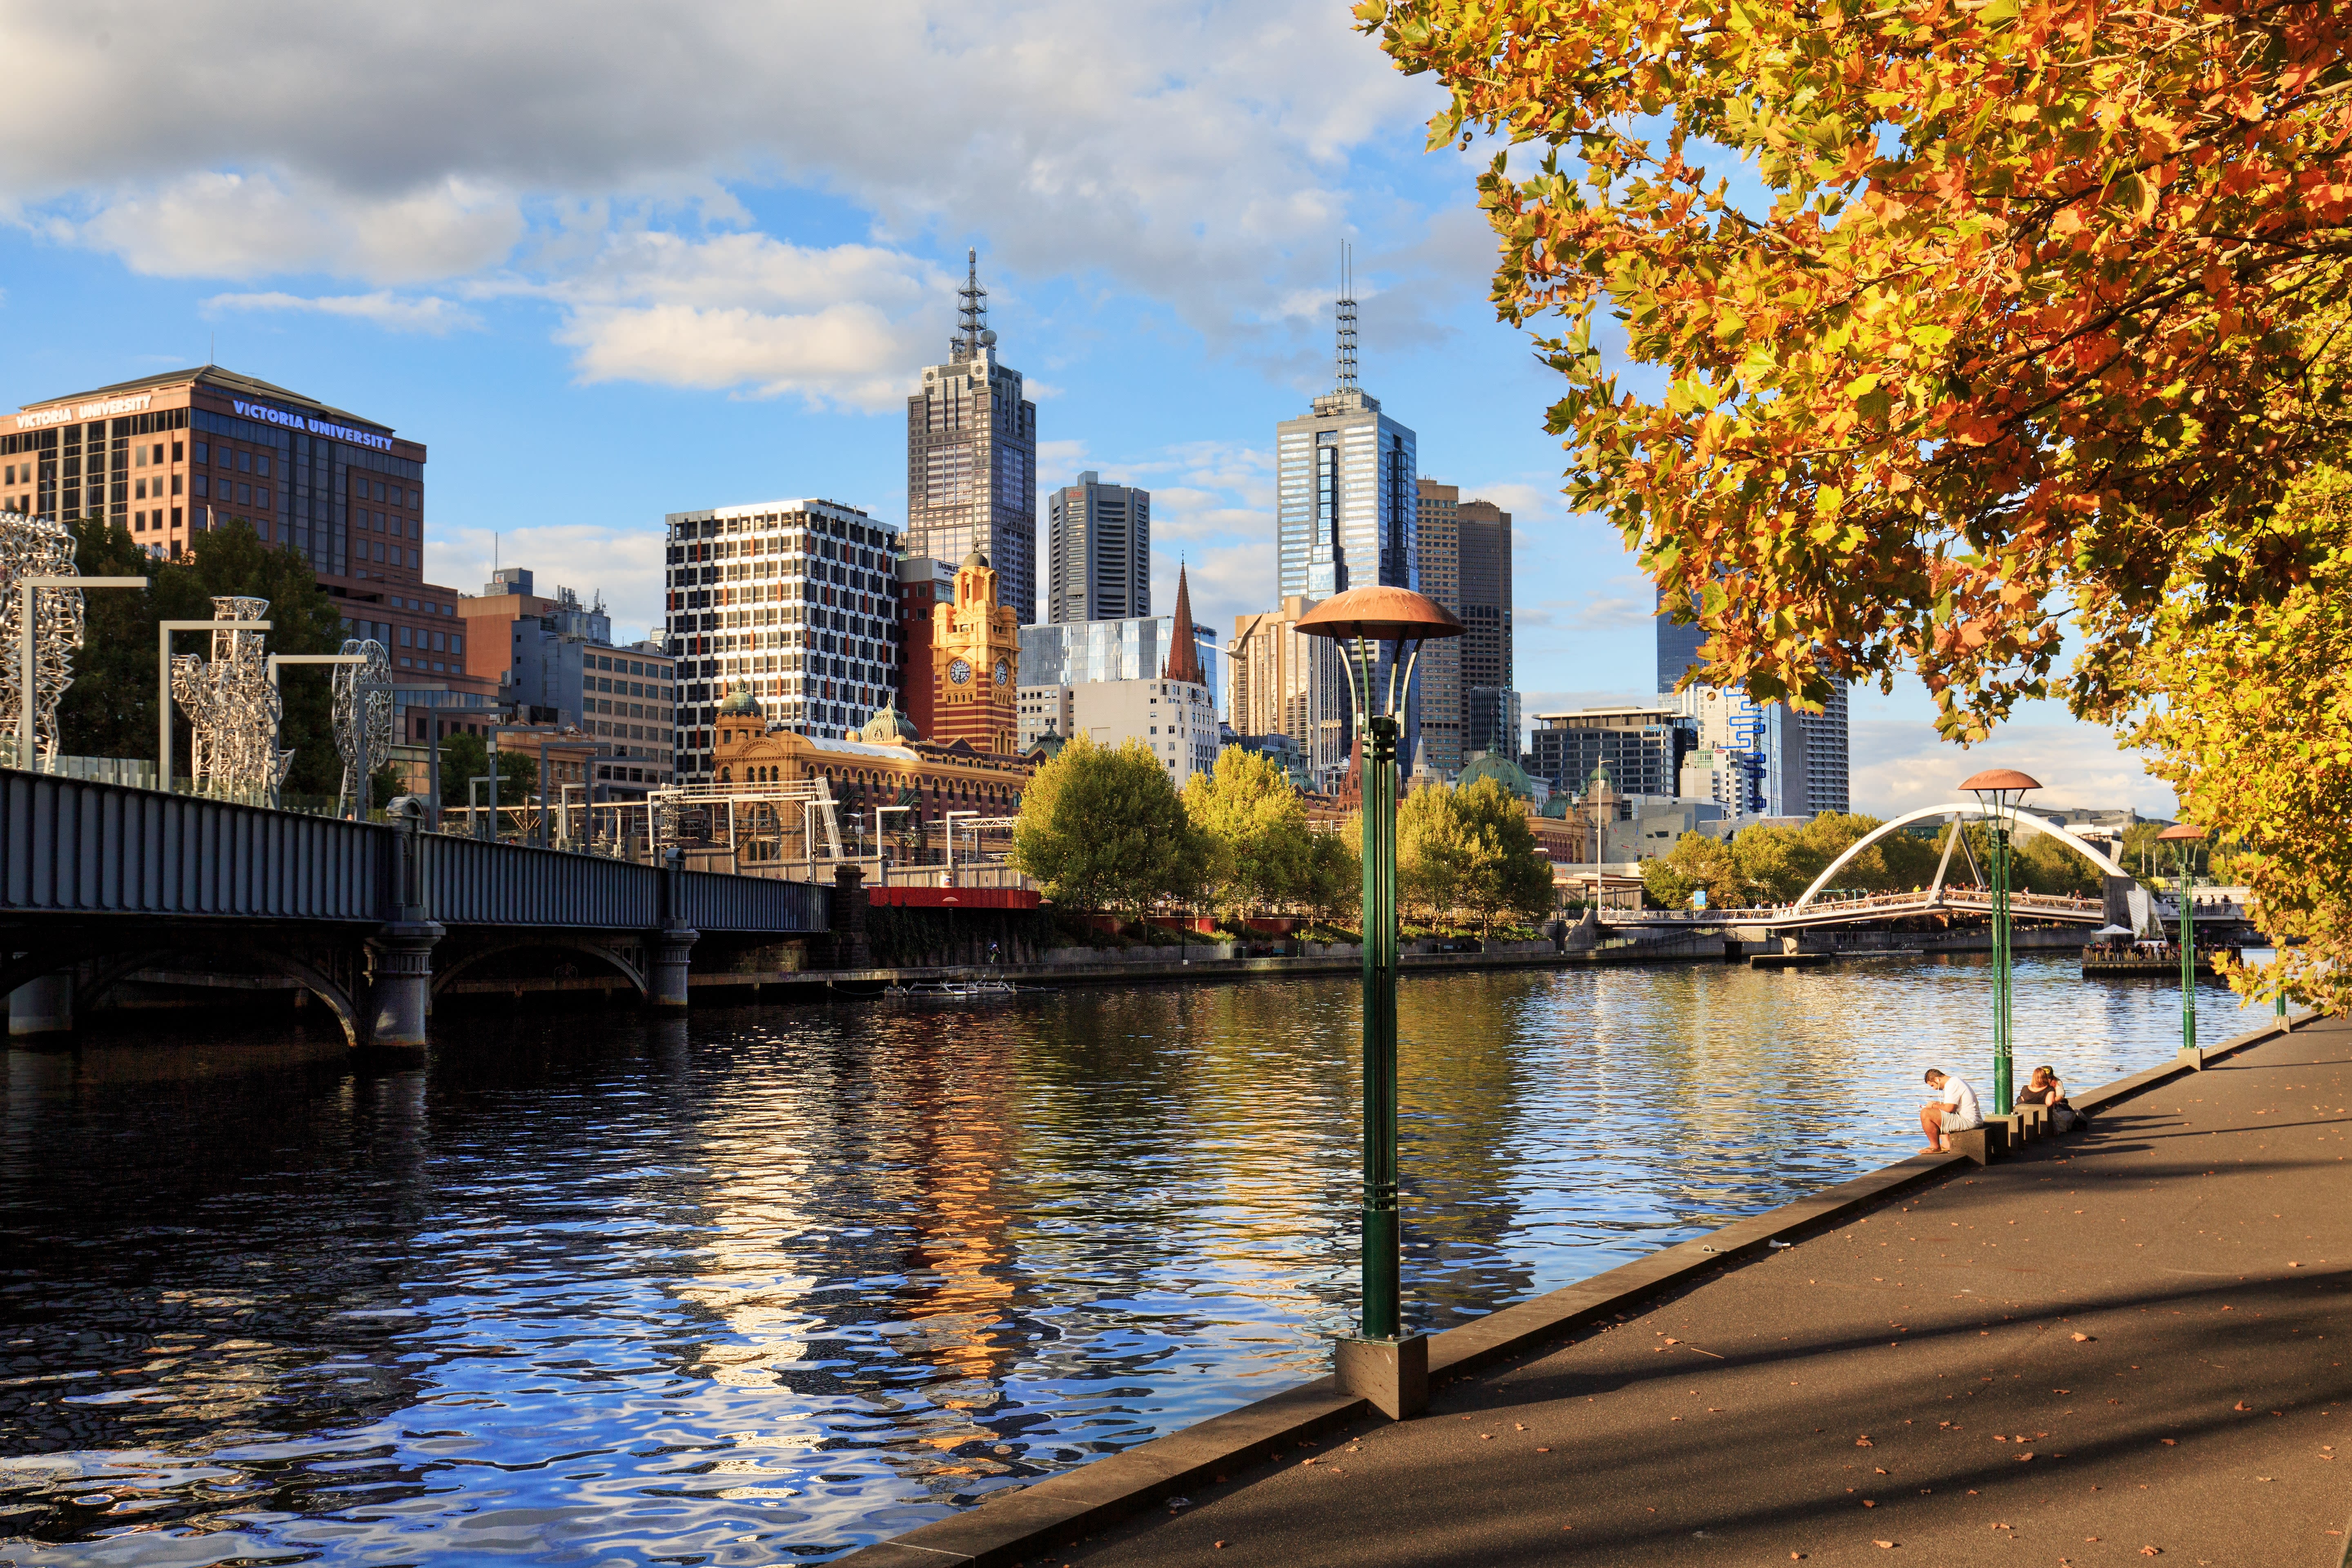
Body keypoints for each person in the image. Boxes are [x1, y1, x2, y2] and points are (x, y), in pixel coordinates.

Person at [1919, 1067, 1984, 1154]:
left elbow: (1949, 1109)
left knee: (1926, 1113)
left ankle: (1935, 1147)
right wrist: (1935, 1105)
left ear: (1937, 1079)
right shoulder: (1954, 1081)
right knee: (1934, 1111)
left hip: (1969, 1120)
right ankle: (1946, 1143)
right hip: (1972, 1119)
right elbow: (1951, 1106)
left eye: (1932, 1085)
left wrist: (1933, 1106)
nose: (1934, 1089)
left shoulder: (1951, 1084)